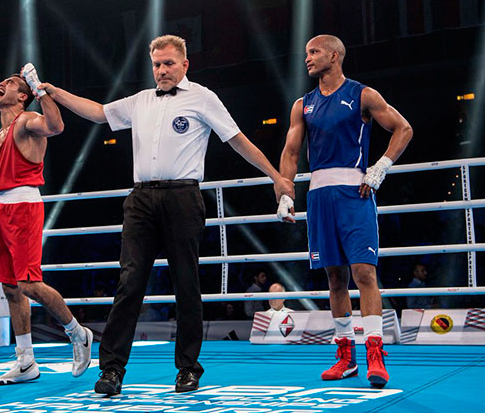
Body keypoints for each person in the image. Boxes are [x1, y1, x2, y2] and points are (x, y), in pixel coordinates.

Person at [31, 34, 294, 395]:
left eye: (169, 63)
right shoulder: (140, 101)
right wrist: (55, 93)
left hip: (183, 196)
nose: (162, 70)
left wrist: (276, 177)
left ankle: (188, 368)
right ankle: (111, 370)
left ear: (185, 64)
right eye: (156, 64)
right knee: (130, 282)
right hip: (141, 199)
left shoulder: (203, 97)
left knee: (186, 284)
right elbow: (97, 112)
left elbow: (237, 139)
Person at [0, 69, 92, 386]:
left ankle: (78, 333)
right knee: (9, 286)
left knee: (28, 284)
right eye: (1, 82)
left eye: (9, 83)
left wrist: (38, 88)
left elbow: (57, 126)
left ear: (22, 96)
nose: (1, 84)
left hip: (24, 208)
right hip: (0, 210)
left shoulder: (28, 121)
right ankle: (25, 362)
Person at [278, 34, 412, 388]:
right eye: (306, 52)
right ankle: (345, 356)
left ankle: (375, 354)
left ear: (334, 55)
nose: (307, 58)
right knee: (334, 278)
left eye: (314, 52)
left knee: (364, 273)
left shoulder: (362, 94)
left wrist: (380, 166)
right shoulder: (302, 105)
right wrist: (286, 193)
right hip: (319, 195)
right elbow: (291, 154)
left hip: (355, 191)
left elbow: (403, 128)